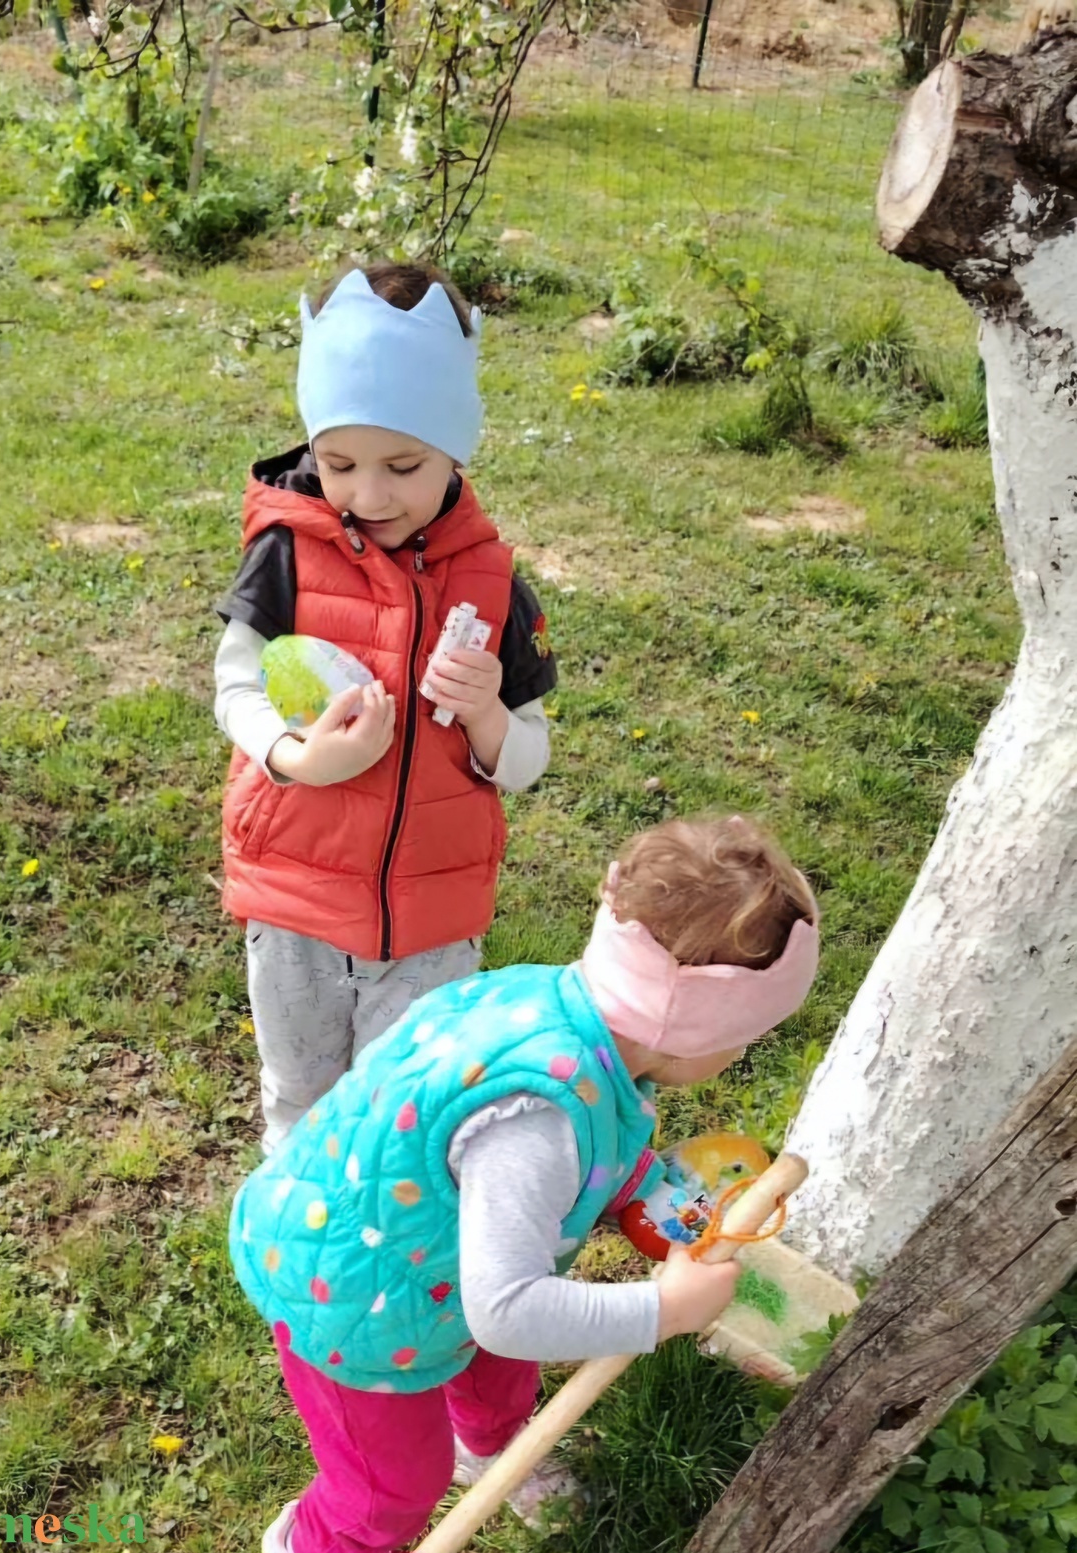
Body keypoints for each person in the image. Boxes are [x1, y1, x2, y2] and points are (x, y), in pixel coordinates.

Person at [229, 814, 820, 1553]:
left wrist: (660, 1198)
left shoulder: (570, 1015)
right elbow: (506, 1309)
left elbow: (598, 1145)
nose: (741, 1053)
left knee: (501, 1371)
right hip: (352, 1295)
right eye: (745, 1036)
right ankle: (316, 1542)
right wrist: (659, 1310)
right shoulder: (534, 1123)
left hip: (431, 1255)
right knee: (393, 1487)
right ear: (686, 1025)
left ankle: (493, 1451)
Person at [213, 261, 558, 1153]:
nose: (369, 495)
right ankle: (295, 1246)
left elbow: (526, 759)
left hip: (432, 923)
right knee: (299, 1091)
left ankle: (375, 1254)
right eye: (339, 462)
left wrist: (487, 714)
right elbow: (237, 687)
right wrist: (295, 758)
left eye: (404, 465)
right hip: (297, 900)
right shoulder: (288, 553)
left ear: (457, 450)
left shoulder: (492, 586)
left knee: (398, 1109)